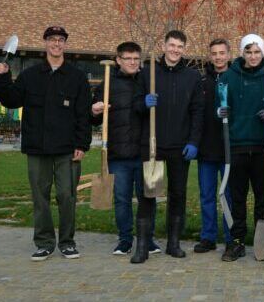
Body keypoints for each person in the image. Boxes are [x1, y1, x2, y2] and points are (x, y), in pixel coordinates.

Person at [0, 26, 92, 261]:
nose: (56, 44)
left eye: (60, 40)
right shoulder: (30, 75)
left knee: (67, 196)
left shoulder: (77, 77)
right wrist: (2, 78)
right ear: (45, 43)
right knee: (40, 197)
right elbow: (11, 100)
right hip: (37, 148)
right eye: (52, 39)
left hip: (68, 149)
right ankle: (44, 242)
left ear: (65, 44)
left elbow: (83, 114)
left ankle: (67, 242)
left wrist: (82, 144)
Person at [131, 29, 205, 263]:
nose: (175, 50)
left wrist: (193, 141)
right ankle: (142, 246)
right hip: (153, 144)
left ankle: (174, 243)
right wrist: (143, 103)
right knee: (148, 194)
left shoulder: (192, 77)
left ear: (184, 49)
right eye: (172, 45)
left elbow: (198, 112)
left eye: (180, 47)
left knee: (178, 194)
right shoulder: (148, 73)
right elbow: (135, 105)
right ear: (164, 46)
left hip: (179, 146)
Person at [90, 41, 161, 257]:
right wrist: (94, 111)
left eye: (136, 58)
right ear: (118, 60)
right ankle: (125, 239)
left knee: (148, 197)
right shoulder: (108, 83)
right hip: (118, 153)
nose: (132, 62)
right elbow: (94, 118)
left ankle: (147, 238)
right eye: (127, 58)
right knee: (122, 198)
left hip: (144, 152)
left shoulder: (148, 80)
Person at [218, 34, 264, 262]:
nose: (253, 56)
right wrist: (220, 110)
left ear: (263, 52)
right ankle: (237, 241)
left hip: (262, 146)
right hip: (237, 144)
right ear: (242, 53)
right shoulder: (229, 76)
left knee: (262, 198)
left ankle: (261, 242)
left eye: (257, 52)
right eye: (249, 52)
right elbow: (220, 102)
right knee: (238, 197)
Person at [192, 38, 233, 254]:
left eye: (222, 53)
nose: (218, 57)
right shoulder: (202, 81)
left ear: (228, 54)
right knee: (207, 195)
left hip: (228, 149)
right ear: (210, 56)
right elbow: (196, 113)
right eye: (214, 53)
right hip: (206, 149)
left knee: (228, 195)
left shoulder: (235, 79)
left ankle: (231, 237)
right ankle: (208, 237)